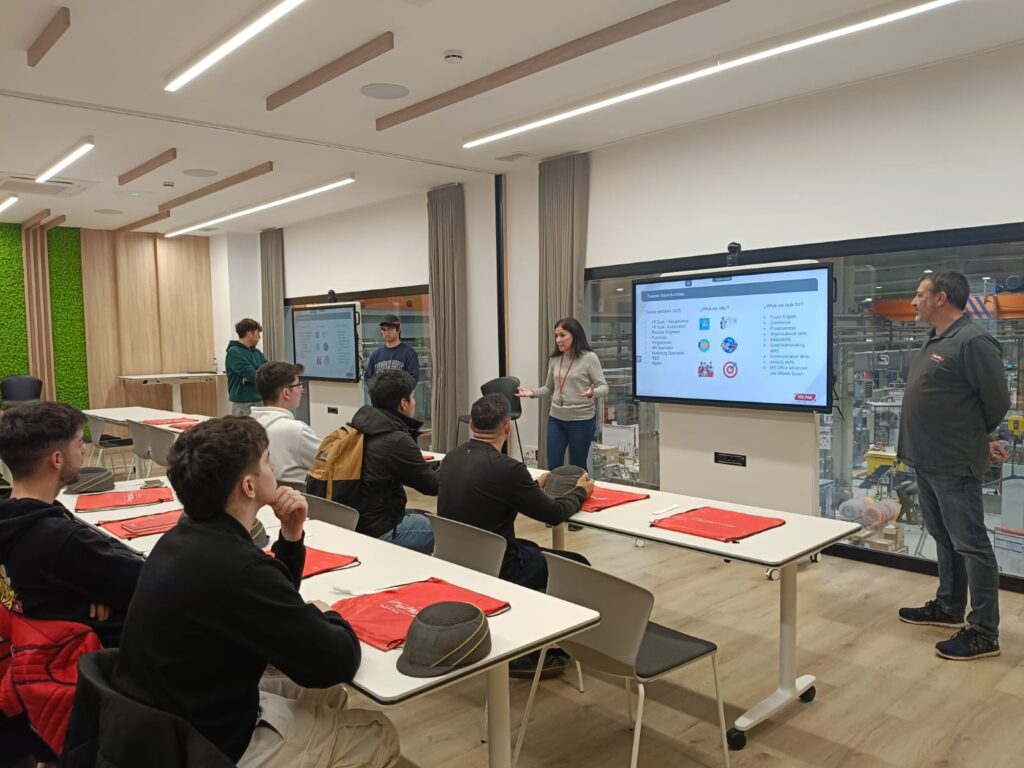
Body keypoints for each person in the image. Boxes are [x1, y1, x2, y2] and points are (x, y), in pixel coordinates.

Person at [112, 417, 399, 766]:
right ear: (248, 486)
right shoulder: (237, 566)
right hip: (206, 745)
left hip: (164, 722)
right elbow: (336, 662)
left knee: (328, 696)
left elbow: (268, 605)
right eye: (266, 460)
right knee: (377, 732)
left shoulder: (181, 538)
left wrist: (291, 536)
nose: (274, 466)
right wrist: (327, 614)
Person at [897, 270, 1010, 661]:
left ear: (940, 298)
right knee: (943, 536)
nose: (914, 301)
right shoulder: (936, 339)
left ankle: (984, 632)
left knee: (971, 544)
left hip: (953, 461)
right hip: (926, 458)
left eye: (919, 294)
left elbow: (997, 402)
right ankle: (949, 606)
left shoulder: (973, 341)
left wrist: (975, 436)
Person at [438, 393, 594, 676]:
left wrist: (531, 486)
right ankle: (530, 648)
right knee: (577, 564)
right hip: (499, 565)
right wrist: (581, 491)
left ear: (471, 425)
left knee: (530, 546)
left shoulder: (452, 458)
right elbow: (554, 514)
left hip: (457, 560)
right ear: (507, 427)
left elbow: (491, 491)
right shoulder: (507, 469)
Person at [0, 402, 143, 648]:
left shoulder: (13, 517)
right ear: (57, 459)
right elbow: (146, 579)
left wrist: (98, 586)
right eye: (79, 443)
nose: (84, 450)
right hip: (101, 654)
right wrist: (103, 587)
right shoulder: (62, 540)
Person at [349, 369, 438, 553]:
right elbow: (432, 486)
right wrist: (451, 466)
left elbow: (404, 469)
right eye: (412, 398)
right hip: (378, 530)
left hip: (356, 522)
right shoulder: (395, 439)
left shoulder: (363, 425)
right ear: (403, 403)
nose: (414, 403)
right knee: (451, 533)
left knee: (423, 516)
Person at [517, 317, 608, 471]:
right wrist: (532, 392)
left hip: (581, 421)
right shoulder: (555, 358)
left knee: (577, 467)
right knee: (553, 465)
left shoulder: (589, 358)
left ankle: (578, 487)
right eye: (556, 336)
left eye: (562, 335)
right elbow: (548, 388)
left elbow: (604, 387)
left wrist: (592, 393)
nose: (558, 340)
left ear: (575, 334)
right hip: (556, 419)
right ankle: (554, 488)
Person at [251, 362, 320, 486]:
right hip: (301, 495)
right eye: (298, 385)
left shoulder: (249, 425)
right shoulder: (297, 431)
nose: (301, 390)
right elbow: (331, 462)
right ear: (286, 393)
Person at [226, 318, 269, 416]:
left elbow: (269, 370)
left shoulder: (257, 352)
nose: (259, 337)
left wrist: (256, 374)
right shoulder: (234, 352)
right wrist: (256, 374)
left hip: (260, 400)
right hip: (244, 404)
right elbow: (251, 375)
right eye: (258, 333)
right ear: (250, 333)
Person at [364, 314, 420, 384]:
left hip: (400, 391)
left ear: (398, 330)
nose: (386, 333)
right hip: (381, 391)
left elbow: (413, 379)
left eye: (390, 329)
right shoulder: (376, 355)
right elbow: (368, 379)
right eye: (384, 329)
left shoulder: (409, 353)